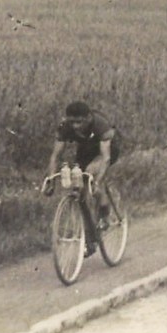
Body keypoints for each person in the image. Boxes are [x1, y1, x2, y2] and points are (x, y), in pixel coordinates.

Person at [43, 101, 124, 255]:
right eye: (71, 122)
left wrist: (98, 181)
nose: (75, 126)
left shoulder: (100, 125)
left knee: (90, 174)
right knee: (80, 189)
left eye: (79, 122)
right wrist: (51, 179)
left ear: (88, 118)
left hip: (108, 148)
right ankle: (90, 239)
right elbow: (55, 156)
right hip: (87, 148)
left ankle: (104, 214)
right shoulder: (65, 127)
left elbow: (106, 158)